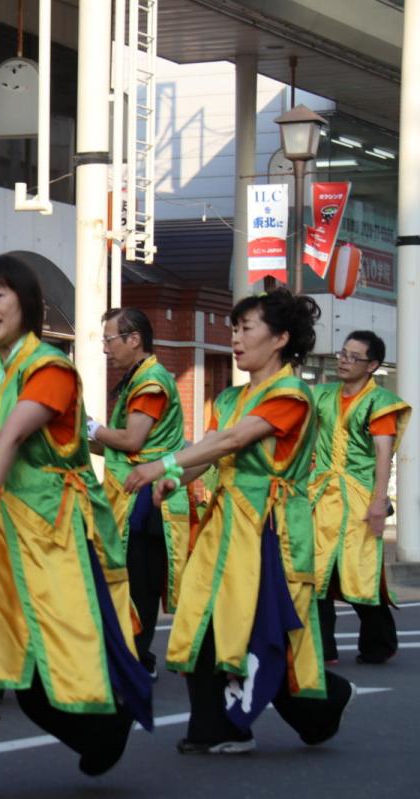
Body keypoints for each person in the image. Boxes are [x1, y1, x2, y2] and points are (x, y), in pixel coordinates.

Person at [0, 254, 152, 799]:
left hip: (55, 539)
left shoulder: (51, 370)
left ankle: (105, 731)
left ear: (27, 304)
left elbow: (13, 436)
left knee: (42, 681)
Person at [126, 288, 354, 754]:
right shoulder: (228, 398)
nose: (235, 338)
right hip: (224, 529)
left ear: (280, 338)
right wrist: (177, 477)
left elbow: (231, 441)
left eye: (246, 328)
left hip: (271, 532)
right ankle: (217, 728)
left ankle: (321, 706)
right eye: (234, 328)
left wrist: (162, 466)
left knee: (269, 633)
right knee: (205, 620)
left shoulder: (292, 394)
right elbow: (208, 452)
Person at [90, 307, 191, 678]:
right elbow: (125, 449)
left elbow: (132, 439)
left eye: (109, 340)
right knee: (129, 580)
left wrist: (92, 429)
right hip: (137, 498)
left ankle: (136, 658)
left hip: (148, 503)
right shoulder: (142, 379)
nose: (105, 349)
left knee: (139, 584)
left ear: (134, 339)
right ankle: (132, 655)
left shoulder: (150, 383)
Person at [310, 330, 410, 664]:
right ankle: (323, 650)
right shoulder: (321, 395)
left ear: (373, 365)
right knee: (317, 570)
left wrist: (380, 502)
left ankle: (379, 643)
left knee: (360, 571)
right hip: (322, 494)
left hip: (358, 497)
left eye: (354, 356)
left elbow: (384, 453)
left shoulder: (379, 402)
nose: (344, 360)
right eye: (343, 353)